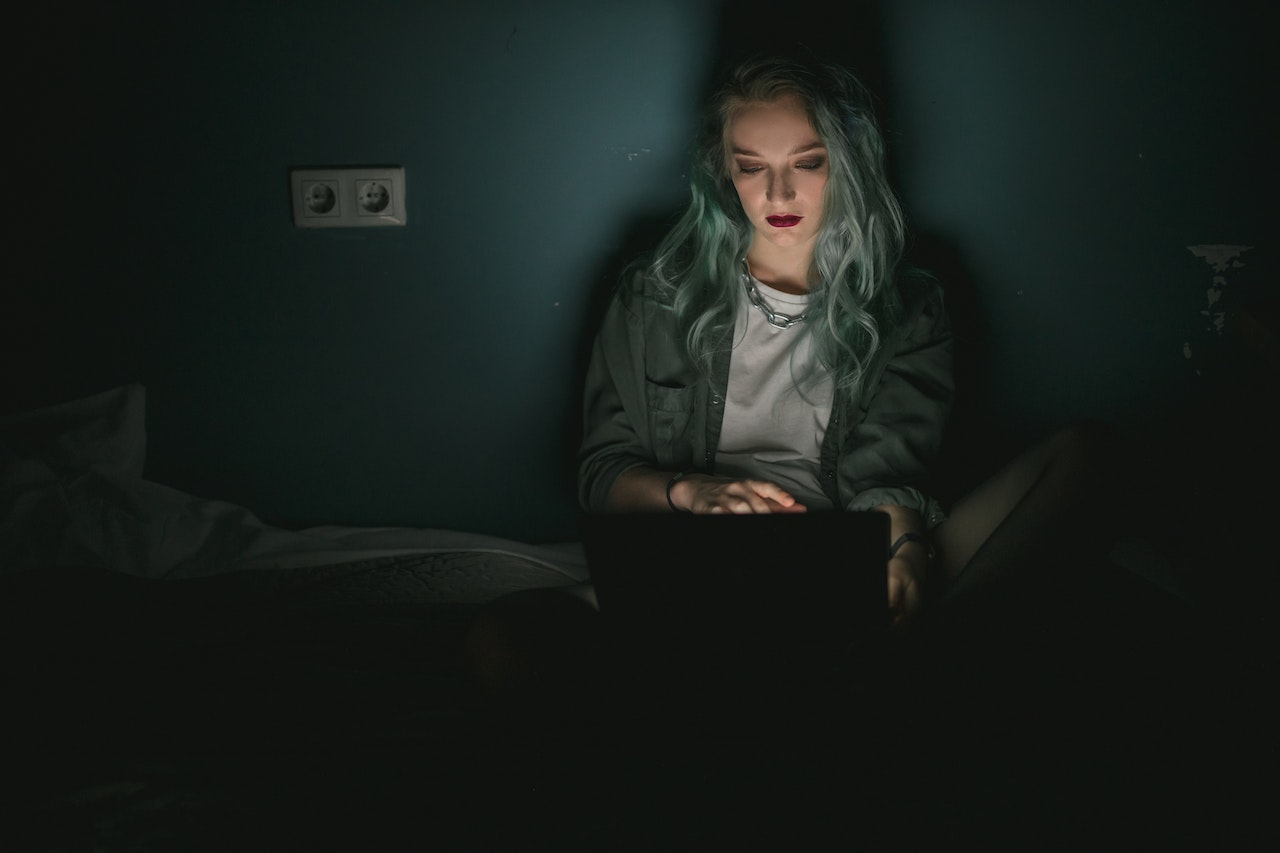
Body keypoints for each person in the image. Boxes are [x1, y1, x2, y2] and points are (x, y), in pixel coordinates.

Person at [468, 54, 1117, 697]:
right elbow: (601, 474)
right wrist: (694, 493)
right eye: (753, 168)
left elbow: (886, 475)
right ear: (726, 173)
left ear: (847, 164)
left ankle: (867, 657)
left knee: (1084, 455)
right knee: (506, 639)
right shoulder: (656, 292)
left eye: (808, 163)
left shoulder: (909, 305)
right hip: (701, 565)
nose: (779, 195)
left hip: (843, 557)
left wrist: (903, 557)